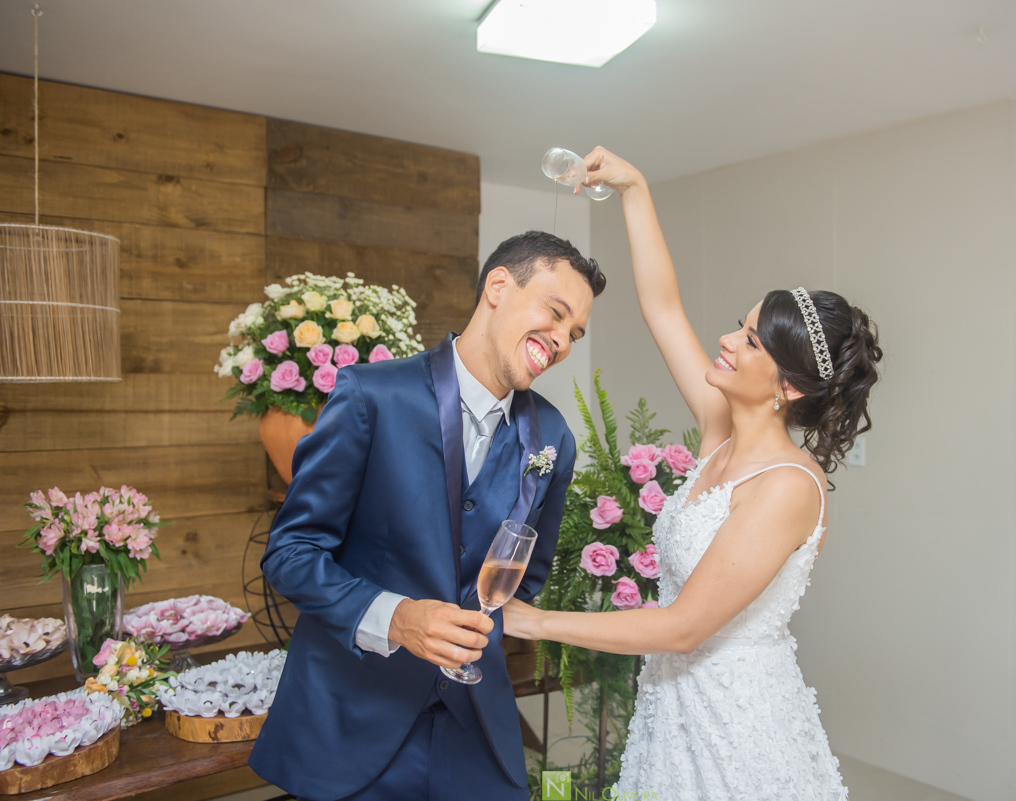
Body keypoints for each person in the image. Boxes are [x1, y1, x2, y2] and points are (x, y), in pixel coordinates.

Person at [502, 149, 882, 800]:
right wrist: (633, 188)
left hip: (739, 728)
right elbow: (662, 307)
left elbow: (683, 625)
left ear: (787, 386)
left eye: (752, 340)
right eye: (741, 325)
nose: (728, 341)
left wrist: (532, 620)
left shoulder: (789, 485)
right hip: (671, 705)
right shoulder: (719, 429)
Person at [248, 231, 605, 801]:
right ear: (497, 286)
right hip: (353, 722)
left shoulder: (554, 437)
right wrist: (397, 618)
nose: (561, 341)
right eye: (555, 313)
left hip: (476, 730)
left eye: (575, 334)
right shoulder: (371, 396)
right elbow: (290, 554)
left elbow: (525, 582)